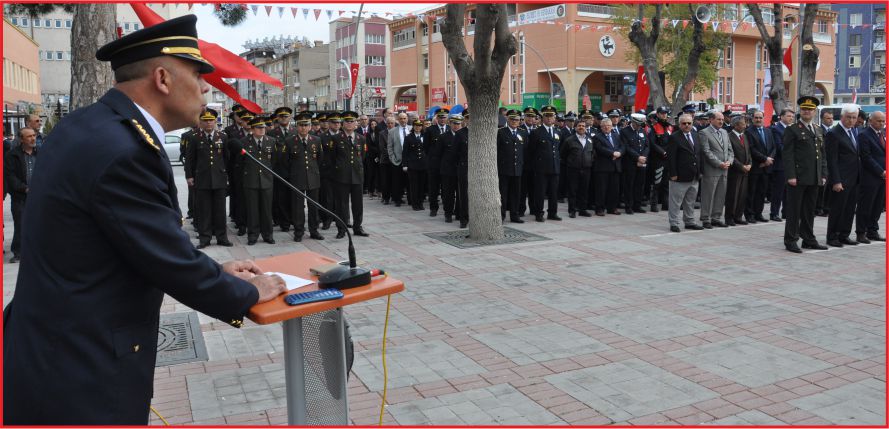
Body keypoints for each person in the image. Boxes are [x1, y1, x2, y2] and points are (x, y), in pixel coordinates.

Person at [3, 16, 287, 425]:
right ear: (162, 79)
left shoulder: (88, 125)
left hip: (51, 347)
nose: (207, 87)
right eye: (198, 73)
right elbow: (168, 260)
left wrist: (219, 270)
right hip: (81, 366)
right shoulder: (125, 150)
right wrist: (246, 292)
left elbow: (136, 244)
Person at [783, 96, 829, 253]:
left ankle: (808, 239)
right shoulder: (792, 129)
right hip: (798, 177)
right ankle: (791, 239)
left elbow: (822, 154)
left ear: (814, 112)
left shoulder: (818, 129)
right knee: (794, 210)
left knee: (809, 210)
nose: (806, 112)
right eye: (804, 109)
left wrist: (823, 174)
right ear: (800, 111)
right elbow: (787, 155)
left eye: (809, 110)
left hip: (814, 177)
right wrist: (791, 175)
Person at [185, 108, 232, 248]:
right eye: (205, 121)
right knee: (204, 211)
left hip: (219, 179)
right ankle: (205, 238)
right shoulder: (194, 137)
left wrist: (228, 176)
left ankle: (222, 237)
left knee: (220, 211)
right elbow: (189, 159)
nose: (208, 123)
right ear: (201, 122)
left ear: (215, 121)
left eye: (211, 120)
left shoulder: (222, 137)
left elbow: (226, 158)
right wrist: (189, 176)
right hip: (202, 179)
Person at [824, 104, 863, 247]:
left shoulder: (854, 131)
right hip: (841, 179)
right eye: (849, 117)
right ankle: (832, 236)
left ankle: (844, 235)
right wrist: (836, 181)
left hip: (854, 178)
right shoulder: (834, 133)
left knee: (849, 209)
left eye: (854, 118)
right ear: (842, 117)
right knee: (838, 209)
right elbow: (832, 160)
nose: (851, 120)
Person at [285, 112, 324, 242]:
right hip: (297, 178)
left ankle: (314, 230)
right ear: (297, 126)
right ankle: (298, 231)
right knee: (297, 207)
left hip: (313, 178)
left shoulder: (316, 140)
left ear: (310, 126)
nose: (303, 128)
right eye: (301, 125)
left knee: (314, 206)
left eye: (306, 125)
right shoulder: (290, 141)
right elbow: (286, 162)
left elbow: (319, 159)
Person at [5, 127, 38, 263]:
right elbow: (10, 176)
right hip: (20, 197)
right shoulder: (12, 155)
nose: (33, 138)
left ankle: (37, 251)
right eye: (29, 136)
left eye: (34, 135)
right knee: (20, 224)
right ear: (21, 139)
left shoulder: (40, 153)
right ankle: (18, 252)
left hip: (38, 196)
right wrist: (24, 188)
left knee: (38, 224)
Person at [334, 111, 369, 238]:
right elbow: (333, 158)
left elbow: (363, 156)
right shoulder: (336, 138)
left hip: (357, 175)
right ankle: (341, 229)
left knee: (358, 203)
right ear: (343, 124)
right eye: (347, 121)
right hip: (342, 176)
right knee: (341, 204)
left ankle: (357, 227)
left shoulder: (361, 138)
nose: (349, 123)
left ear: (356, 123)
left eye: (352, 121)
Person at [242, 116, 276, 245]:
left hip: (267, 180)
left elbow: (274, 161)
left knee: (267, 210)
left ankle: (268, 235)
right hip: (251, 180)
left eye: (263, 127)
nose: (262, 130)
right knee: (252, 210)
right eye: (258, 127)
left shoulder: (271, 141)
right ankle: (253, 235)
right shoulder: (244, 141)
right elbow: (240, 162)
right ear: (252, 129)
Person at [667, 114, 704, 232]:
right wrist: (673, 173)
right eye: (684, 123)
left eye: (689, 123)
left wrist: (700, 171)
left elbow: (699, 155)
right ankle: (674, 223)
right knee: (675, 202)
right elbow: (671, 158)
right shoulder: (674, 137)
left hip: (694, 175)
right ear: (679, 124)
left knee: (690, 201)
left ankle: (689, 221)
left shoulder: (695, 135)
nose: (687, 125)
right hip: (679, 176)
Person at [855, 110, 886, 243]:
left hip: (883, 177)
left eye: (883, 121)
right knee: (865, 205)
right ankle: (861, 232)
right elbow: (866, 157)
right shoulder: (864, 135)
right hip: (870, 176)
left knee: (878, 205)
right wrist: (881, 171)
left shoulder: (883, 134)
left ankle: (873, 230)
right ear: (871, 120)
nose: (881, 123)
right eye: (879, 120)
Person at [698, 111, 733, 228]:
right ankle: (706, 218)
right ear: (711, 120)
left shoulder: (724, 132)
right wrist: (719, 164)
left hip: (725, 169)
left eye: (722, 119)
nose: (721, 121)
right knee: (708, 195)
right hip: (712, 169)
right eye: (719, 119)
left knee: (720, 195)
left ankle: (716, 217)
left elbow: (730, 150)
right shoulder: (704, 133)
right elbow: (706, 151)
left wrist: (729, 161)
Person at [744, 110, 775, 223]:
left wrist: (769, 159)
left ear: (763, 118)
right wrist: (764, 159)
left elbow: (773, 147)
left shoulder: (768, 131)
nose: (758, 120)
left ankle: (758, 213)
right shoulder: (748, 132)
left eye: (760, 117)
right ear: (752, 119)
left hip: (766, 168)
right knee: (752, 192)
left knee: (762, 192)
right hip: (756, 167)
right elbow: (751, 149)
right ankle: (749, 214)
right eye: (756, 118)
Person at [226, 109, 254, 235]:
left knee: (252, 199)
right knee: (240, 198)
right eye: (245, 120)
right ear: (241, 122)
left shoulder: (258, 135)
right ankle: (241, 224)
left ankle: (253, 223)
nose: (248, 123)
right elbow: (228, 155)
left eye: (250, 120)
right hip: (238, 171)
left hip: (254, 172)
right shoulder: (234, 135)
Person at [267, 107, 294, 232]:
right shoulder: (272, 133)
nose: (284, 118)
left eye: (286, 116)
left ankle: (294, 219)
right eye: (281, 116)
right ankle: (284, 223)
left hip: (294, 170)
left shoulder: (295, 131)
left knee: (294, 197)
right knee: (281, 198)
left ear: (290, 117)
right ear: (277, 118)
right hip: (279, 170)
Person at [497, 109, 527, 222]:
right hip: (504, 169)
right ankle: (501, 215)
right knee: (503, 194)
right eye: (512, 119)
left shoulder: (523, 132)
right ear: (507, 119)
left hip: (518, 168)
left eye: (517, 119)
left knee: (516, 194)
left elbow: (525, 150)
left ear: (520, 121)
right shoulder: (501, 132)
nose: (514, 121)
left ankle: (515, 215)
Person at [560, 119, 594, 218]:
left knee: (584, 190)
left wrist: (589, 162)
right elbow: (563, 154)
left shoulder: (590, 140)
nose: (581, 127)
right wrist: (571, 163)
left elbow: (592, 153)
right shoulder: (569, 140)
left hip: (586, 169)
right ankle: (572, 210)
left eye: (583, 126)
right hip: (573, 169)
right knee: (572, 191)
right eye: (579, 126)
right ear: (575, 127)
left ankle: (583, 210)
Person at [437, 114, 466, 224]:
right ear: (450, 124)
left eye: (458, 123)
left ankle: (459, 213)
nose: (456, 126)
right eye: (454, 123)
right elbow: (438, 154)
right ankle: (448, 213)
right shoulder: (443, 137)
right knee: (448, 193)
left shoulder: (464, 135)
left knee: (461, 194)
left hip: (461, 169)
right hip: (448, 170)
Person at [592, 117, 623, 216]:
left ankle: (612, 208)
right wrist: (613, 153)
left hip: (615, 166)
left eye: (608, 126)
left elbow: (623, 146)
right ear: (601, 127)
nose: (606, 127)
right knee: (601, 189)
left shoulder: (616, 135)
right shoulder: (597, 137)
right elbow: (600, 149)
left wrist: (619, 153)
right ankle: (599, 209)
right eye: (604, 126)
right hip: (603, 167)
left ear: (611, 126)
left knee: (614, 189)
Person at [725, 115, 752, 226]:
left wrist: (749, 164)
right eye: (742, 123)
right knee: (733, 195)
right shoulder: (729, 136)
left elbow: (748, 153)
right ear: (736, 125)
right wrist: (741, 166)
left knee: (742, 195)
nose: (745, 125)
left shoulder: (744, 136)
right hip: (735, 171)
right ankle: (729, 217)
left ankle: (738, 216)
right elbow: (730, 154)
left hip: (745, 171)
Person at [620, 113, 649, 214]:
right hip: (630, 162)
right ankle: (629, 206)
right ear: (633, 122)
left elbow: (646, 145)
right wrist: (637, 157)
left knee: (640, 185)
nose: (639, 126)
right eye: (637, 124)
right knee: (629, 185)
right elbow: (626, 146)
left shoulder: (642, 130)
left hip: (642, 162)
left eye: (641, 124)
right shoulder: (624, 131)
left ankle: (637, 205)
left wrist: (644, 157)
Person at [769, 108, 795, 222]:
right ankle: (774, 213)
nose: (791, 118)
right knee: (778, 191)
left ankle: (786, 212)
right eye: (789, 116)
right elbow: (779, 147)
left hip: (791, 165)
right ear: (782, 116)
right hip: (780, 165)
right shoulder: (776, 129)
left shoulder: (792, 129)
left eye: (792, 117)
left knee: (788, 191)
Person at [423, 108, 449, 217]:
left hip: (447, 164)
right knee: (433, 187)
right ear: (437, 118)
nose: (442, 119)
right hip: (434, 164)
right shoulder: (430, 130)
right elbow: (426, 147)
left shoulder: (449, 128)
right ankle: (433, 208)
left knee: (446, 188)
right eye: (440, 117)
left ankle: (447, 209)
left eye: (444, 117)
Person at [648, 106, 672, 212]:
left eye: (665, 113)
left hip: (668, 159)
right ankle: (654, 205)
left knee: (667, 183)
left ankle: (665, 204)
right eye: (662, 113)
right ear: (657, 114)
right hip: (658, 159)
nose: (664, 115)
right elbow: (652, 143)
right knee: (656, 182)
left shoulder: (670, 127)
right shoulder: (653, 128)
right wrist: (663, 152)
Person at [403, 119, 428, 211]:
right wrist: (405, 164)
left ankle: (420, 203)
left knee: (422, 185)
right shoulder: (408, 137)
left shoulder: (425, 136)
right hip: (412, 165)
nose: (418, 127)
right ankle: (415, 204)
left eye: (420, 126)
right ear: (413, 127)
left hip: (423, 164)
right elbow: (405, 152)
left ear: (422, 127)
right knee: (414, 186)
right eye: (416, 126)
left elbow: (427, 150)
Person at [518, 107, 538, 216]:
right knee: (522, 189)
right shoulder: (520, 129)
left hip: (535, 165)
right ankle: (521, 209)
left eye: (532, 116)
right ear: (524, 117)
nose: (530, 118)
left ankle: (533, 209)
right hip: (523, 164)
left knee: (534, 189)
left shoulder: (538, 130)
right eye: (528, 116)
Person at [386, 112, 409, 207]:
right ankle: (397, 199)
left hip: (410, 160)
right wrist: (392, 158)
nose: (403, 120)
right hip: (397, 160)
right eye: (401, 118)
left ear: (407, 119)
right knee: (397, 181)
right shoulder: (392, 131)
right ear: (398, 120)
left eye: (404, 118)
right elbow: (389, 147)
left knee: (409, 181)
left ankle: (411, 199)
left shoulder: (412, 129)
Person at [378, 116, 395, 204]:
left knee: (394, 180)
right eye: (388, 123)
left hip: (396, 160)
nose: (390, 125)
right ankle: (386, 197)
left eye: (392, 123)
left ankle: (395, 197)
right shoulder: (382, 133)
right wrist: (392, 155)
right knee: (385, 180)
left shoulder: (397, 132)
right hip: (385, 160)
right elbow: (382, 148)